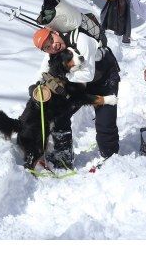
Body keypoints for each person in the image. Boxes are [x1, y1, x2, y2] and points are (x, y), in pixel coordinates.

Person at [32, 26, 120, 169]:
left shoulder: (81, 40)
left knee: (105, 122)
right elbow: (43, 71)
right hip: (82, 84)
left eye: (51, 40)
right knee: (60, 115)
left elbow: (88, 74)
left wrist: (60, 76)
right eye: (47, 47)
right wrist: (35, 87)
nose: (53, 47)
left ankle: (110, 157)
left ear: (55, 32)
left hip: (104, 77)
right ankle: (64, 157)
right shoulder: (55, 51)